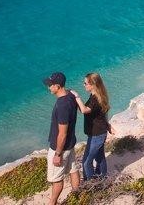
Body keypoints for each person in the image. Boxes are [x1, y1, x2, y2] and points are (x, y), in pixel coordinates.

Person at [43, 72, 81, 204]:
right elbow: (71, 92)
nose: (48, 87)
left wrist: (58, 154)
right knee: (73, 169)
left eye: (50, 85)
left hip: (60, 147)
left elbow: (62, 133)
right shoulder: (70, 96)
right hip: (70, 144)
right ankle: (77, 196)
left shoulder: (62, 105)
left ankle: (52, 203)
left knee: (56, 179)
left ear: (58, 86)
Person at [70, 72, 114, 180]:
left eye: (85, 83)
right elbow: (99, 112)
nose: (83, 85)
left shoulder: (95, 99)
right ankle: (102, 179)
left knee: (86, 162)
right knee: (100, 158)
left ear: (93, 84)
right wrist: (108, 125)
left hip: (97, 134)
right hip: (97, 132)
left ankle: (90, 185)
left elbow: (85, 110)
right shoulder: (97, 96)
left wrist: (76, 96)